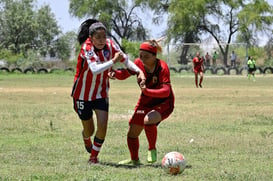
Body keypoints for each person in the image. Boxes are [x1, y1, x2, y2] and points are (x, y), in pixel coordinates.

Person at [71, 19, 145, 164]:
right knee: (90, 130)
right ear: (91, 38)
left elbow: (125, 60)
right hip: (82, 94)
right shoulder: (87, 47)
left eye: (104, 36)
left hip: (101, 92)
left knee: (103, 125)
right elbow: (94, 69)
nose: (101, 40)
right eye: (97, 37)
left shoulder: (111, 44)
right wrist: (112, 62)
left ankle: (93, 157)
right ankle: (86, 138)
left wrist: (139, 71)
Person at [109, 39, 175, 165]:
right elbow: (124, 74)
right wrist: (114, 73)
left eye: (146, 56)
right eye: (140, 56)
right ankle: (134, 160)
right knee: (132, 132)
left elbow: (166, 91)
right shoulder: (138, 63)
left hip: (164, 102)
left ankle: (152, 148)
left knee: (148, 120)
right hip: (145, 102)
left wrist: (147, 91)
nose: (142, 59)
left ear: (154, 56)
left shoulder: (162, 67)